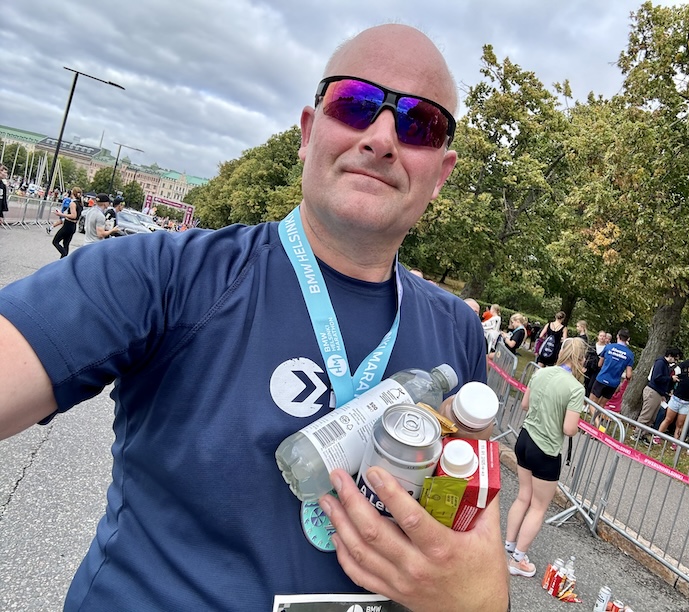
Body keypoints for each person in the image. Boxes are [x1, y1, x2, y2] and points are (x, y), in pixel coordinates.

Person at [0, 25, 508, 612]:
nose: (381, 138)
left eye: (420, 123)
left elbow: (468, 534)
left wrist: (477, 599)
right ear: (309, 133)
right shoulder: (163, 275)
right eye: (355, 104)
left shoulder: (458, 334)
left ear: (441, 173)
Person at [504, 338, 586, 577]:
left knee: (523, 496)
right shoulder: (575, 388)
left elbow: (525, 404)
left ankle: (508, 547)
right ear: (581, 359)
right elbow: (569, 428)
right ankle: (517, 559)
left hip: (525, 438)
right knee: (538, 507)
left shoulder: (540, 372)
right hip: (546, 448)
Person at [588, 329, 635, 420]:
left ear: (617, 336)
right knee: (602, 405)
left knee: (592, 402)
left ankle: (596, 425)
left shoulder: (609, 347)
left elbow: (599, 364)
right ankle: (594, 423)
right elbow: (628, 375)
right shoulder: (630, 354)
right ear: (628, 339)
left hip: (602, 378)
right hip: (613, 383)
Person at [636, 347, 681, 435]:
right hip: (653, 391)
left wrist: (663, 394)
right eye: (675, 359)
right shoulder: (660, 363)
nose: (675, 362)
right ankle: (637, 433)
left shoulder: (666, 365)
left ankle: (643, 434)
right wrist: (670, 378)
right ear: (670, 356)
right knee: (646, 415)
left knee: (652, 417)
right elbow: (657, 378)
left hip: (658, 393)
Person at [655, 363, 689, 448]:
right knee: (668, 419)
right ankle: (658, 436)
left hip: (686, 404)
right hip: (675, 400)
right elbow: (671, 381)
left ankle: (676, 442)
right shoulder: (681, 376)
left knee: (680, 424)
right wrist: (669, 391)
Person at [51, 187, 83, 258]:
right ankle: (63, 260)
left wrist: (61, 214)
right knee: (66, 244)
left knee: (55, 241)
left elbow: (73, 215)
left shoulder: (73, 203)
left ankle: (66, 256)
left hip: (68, 224)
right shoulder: (80, 203)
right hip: (73, 225)